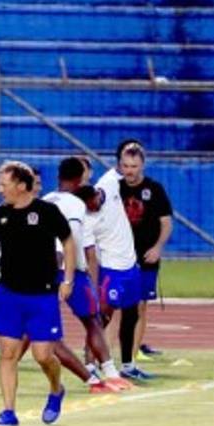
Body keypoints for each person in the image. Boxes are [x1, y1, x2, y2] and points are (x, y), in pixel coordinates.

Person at [0, 161, 75, 426]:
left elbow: (68, 242)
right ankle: (8, 411)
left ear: (21, 186)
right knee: (8, 352)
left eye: (4, 184)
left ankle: (56, 389)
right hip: (10, 294)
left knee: (43, 355)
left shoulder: (47, 212)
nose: (0, 189)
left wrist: (67, 279)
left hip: (43, 295)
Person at [46, 157, 128, 393]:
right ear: (79, 178)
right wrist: (69, 276)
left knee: (39, 329)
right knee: (92, 320)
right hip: (69, 270)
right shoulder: (74, 205)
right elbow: (68, 239)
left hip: (43, 271)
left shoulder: (46, 200)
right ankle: (108, 372)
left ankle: (91, 374)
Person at [82, 146, 150, 381]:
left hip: (130, 266)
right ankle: (90, 363)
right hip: (112, 270)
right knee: (102, 316)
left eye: (133, 166)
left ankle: (128, 364)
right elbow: (90, 255)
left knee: (131, 315)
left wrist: (131, 159)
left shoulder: (109, 183)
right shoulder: (87, 222)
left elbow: (126, 168)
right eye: (91, 201)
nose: (96, 202)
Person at [117, 144, 173, 360]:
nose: (129, 170)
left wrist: (158, 247)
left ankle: (131, 358)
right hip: (119, 258)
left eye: (134, 166)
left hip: (145, 258)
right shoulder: (114, 188)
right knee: (114, 309)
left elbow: (166, 223)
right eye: (125, 166)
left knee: (140, 307)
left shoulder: (154, 189)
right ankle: (105, 359)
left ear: (142, 165)